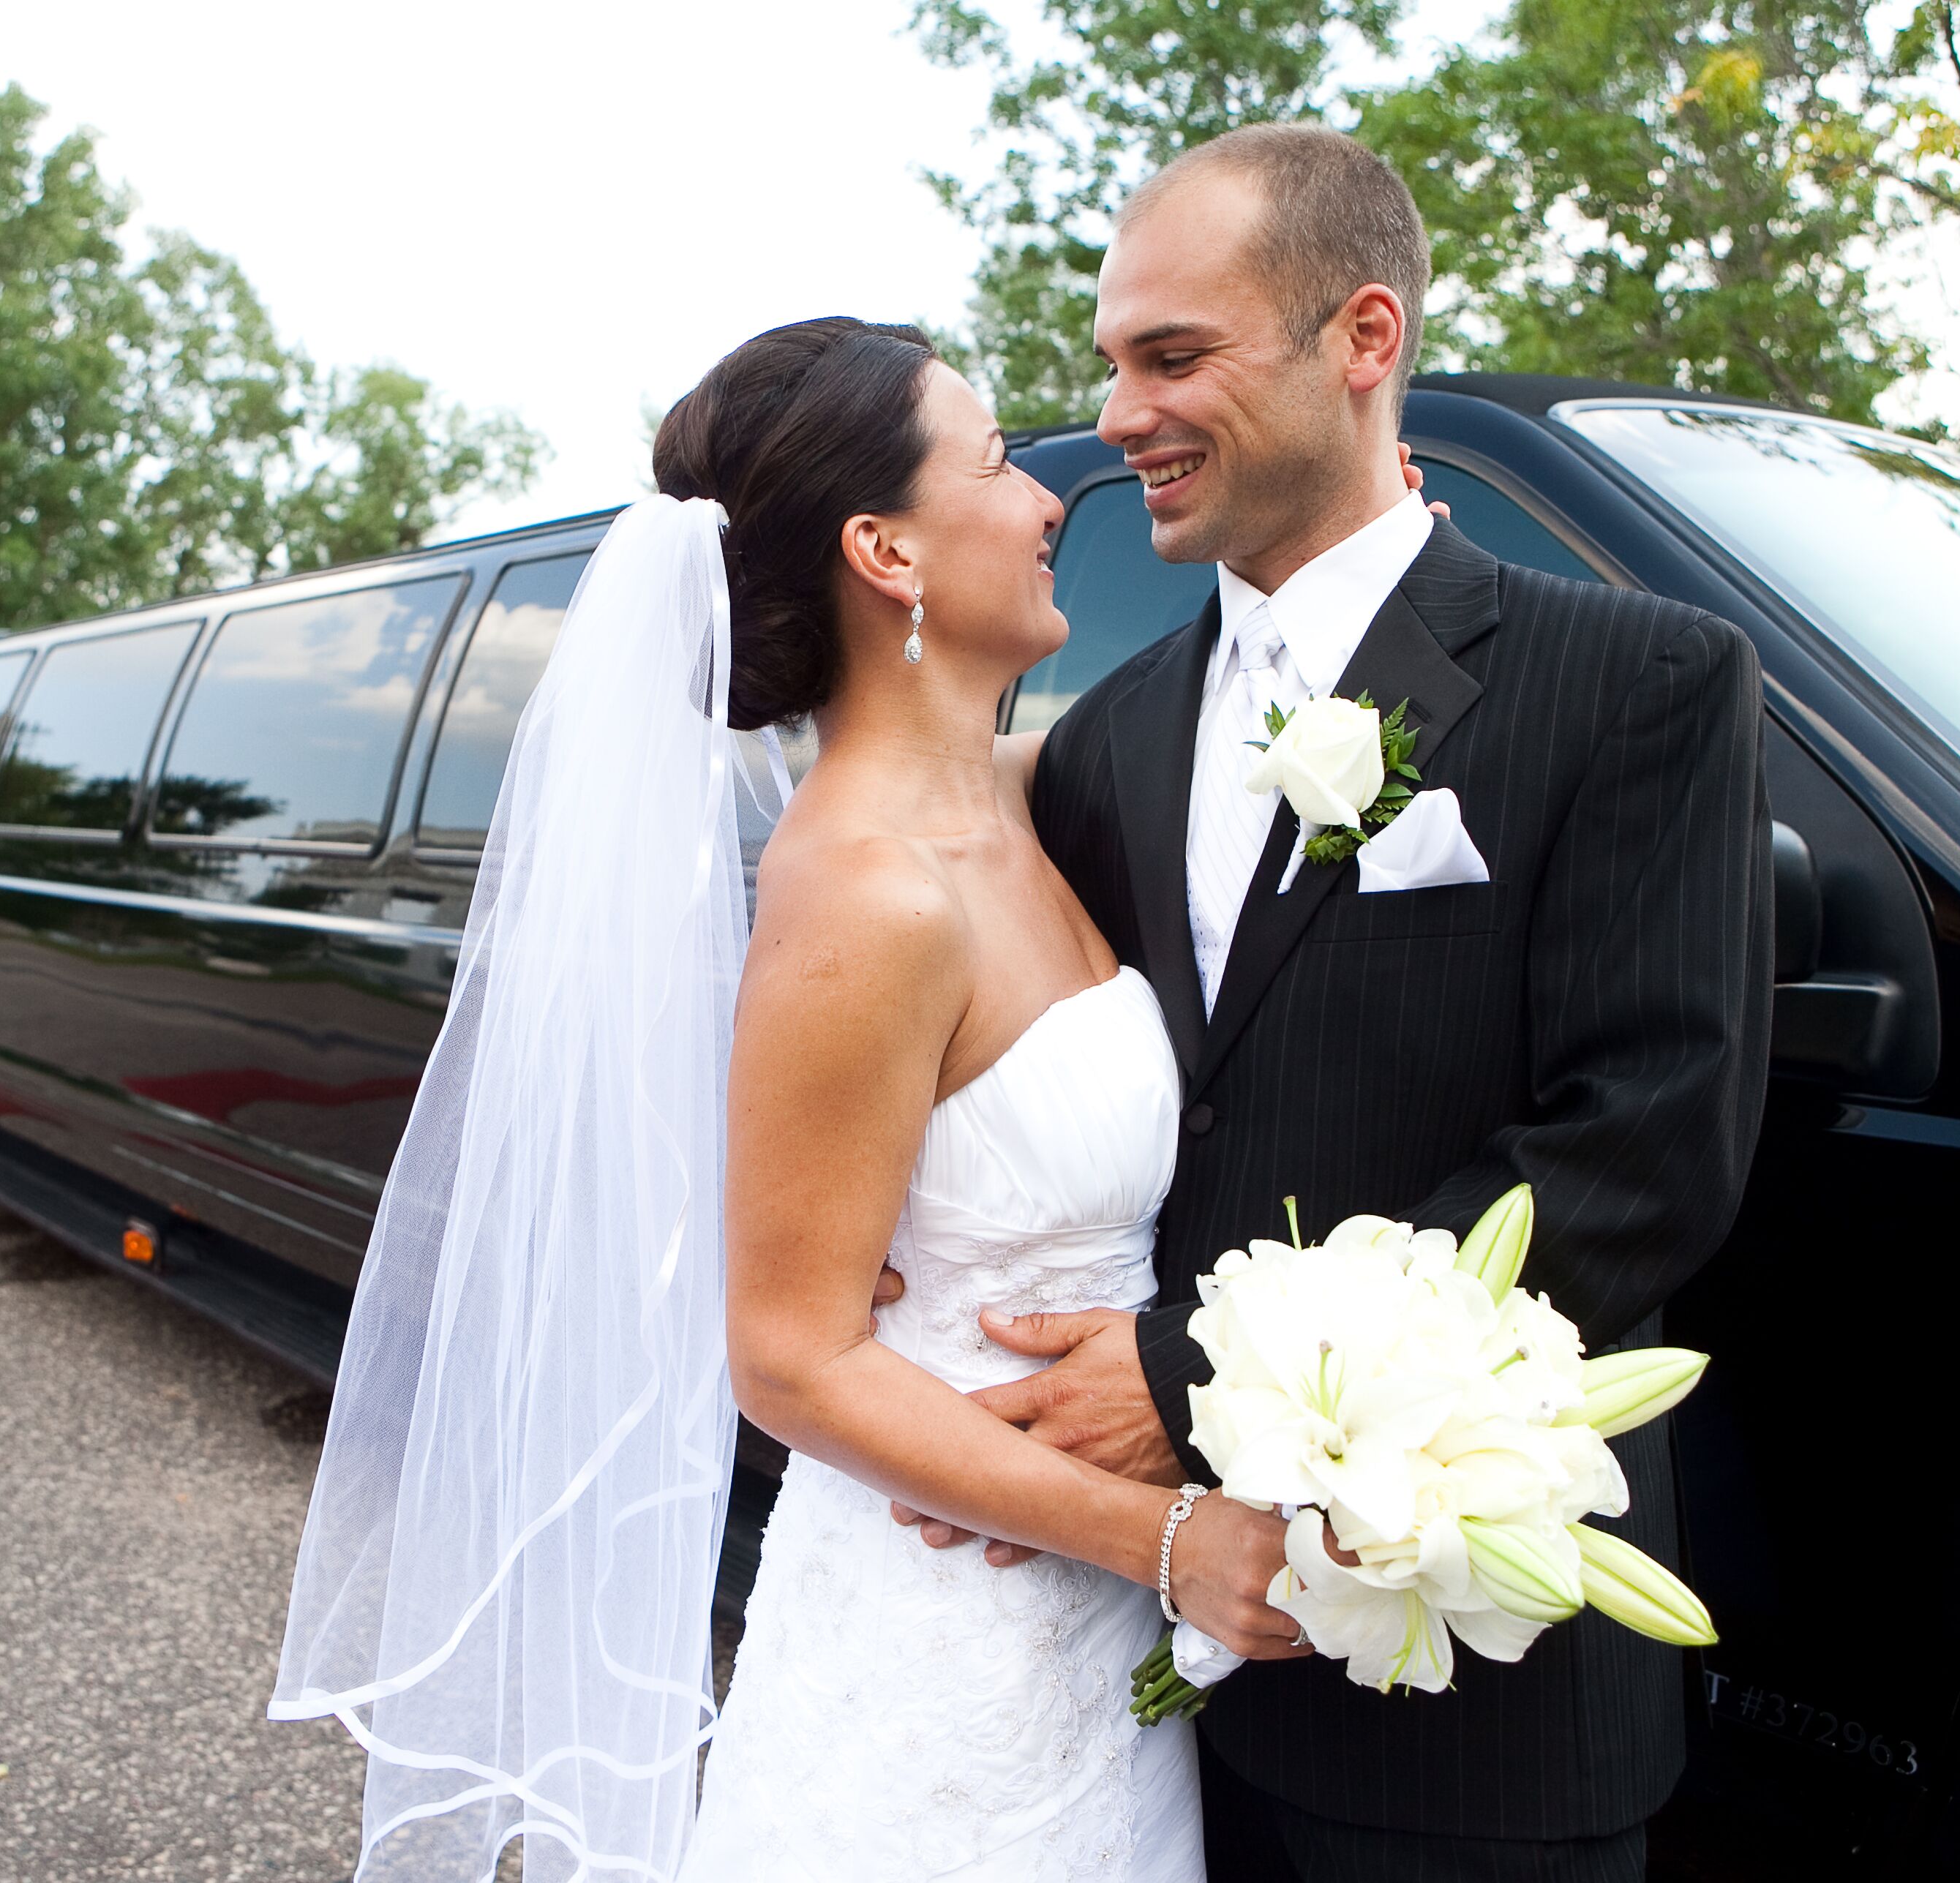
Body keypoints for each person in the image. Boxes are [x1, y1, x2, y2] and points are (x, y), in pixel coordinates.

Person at [271, 315, 1387, 1881]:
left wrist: (1368, 568)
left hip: (1082, 1646)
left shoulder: (1004, 805)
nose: (1047, 496)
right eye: (996, 460)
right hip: (949, 1650)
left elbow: (1208, 740)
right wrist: (1168, 1542)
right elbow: (788, 1362)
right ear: (885, 548)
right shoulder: (868, 892)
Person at [890, 124, 1776, 1882]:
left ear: (1361, 340)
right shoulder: (1111, 739)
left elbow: (1634, 1159)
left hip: (1470, 1695)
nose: (1119, 414)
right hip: (1139, 1672)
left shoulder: (1638, 683)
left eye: (1172, 355)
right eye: (1107, 365)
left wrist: (1190, 1370)